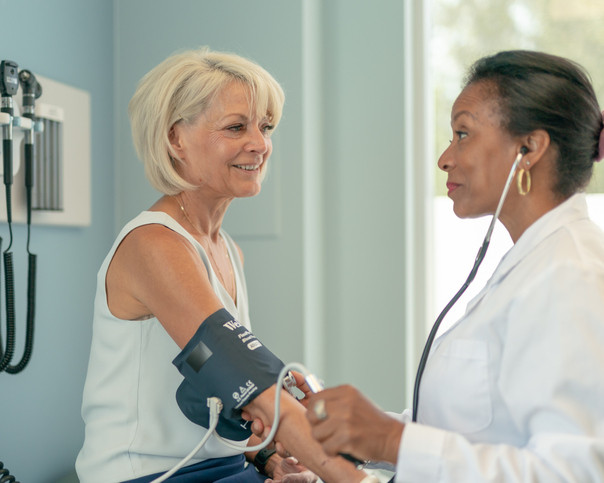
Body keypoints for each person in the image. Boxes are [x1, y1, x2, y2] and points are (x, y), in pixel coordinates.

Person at [299, 50, 604, 482]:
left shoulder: (571, 274)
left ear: (529, 148)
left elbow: (573, 472)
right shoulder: (531, 265)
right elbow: (479, 434)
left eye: (463, 133)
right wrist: (351, 436)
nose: (445, 157)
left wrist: (391, 441)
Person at [75, 48, 365, 483]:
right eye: (236, 127)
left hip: (222, 468)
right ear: (176, 139)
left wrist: (266, 459)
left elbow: (212, 383)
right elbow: (248, 377)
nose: (260, 144)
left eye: (265, 127)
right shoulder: (153, 245)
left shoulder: (227, 250)